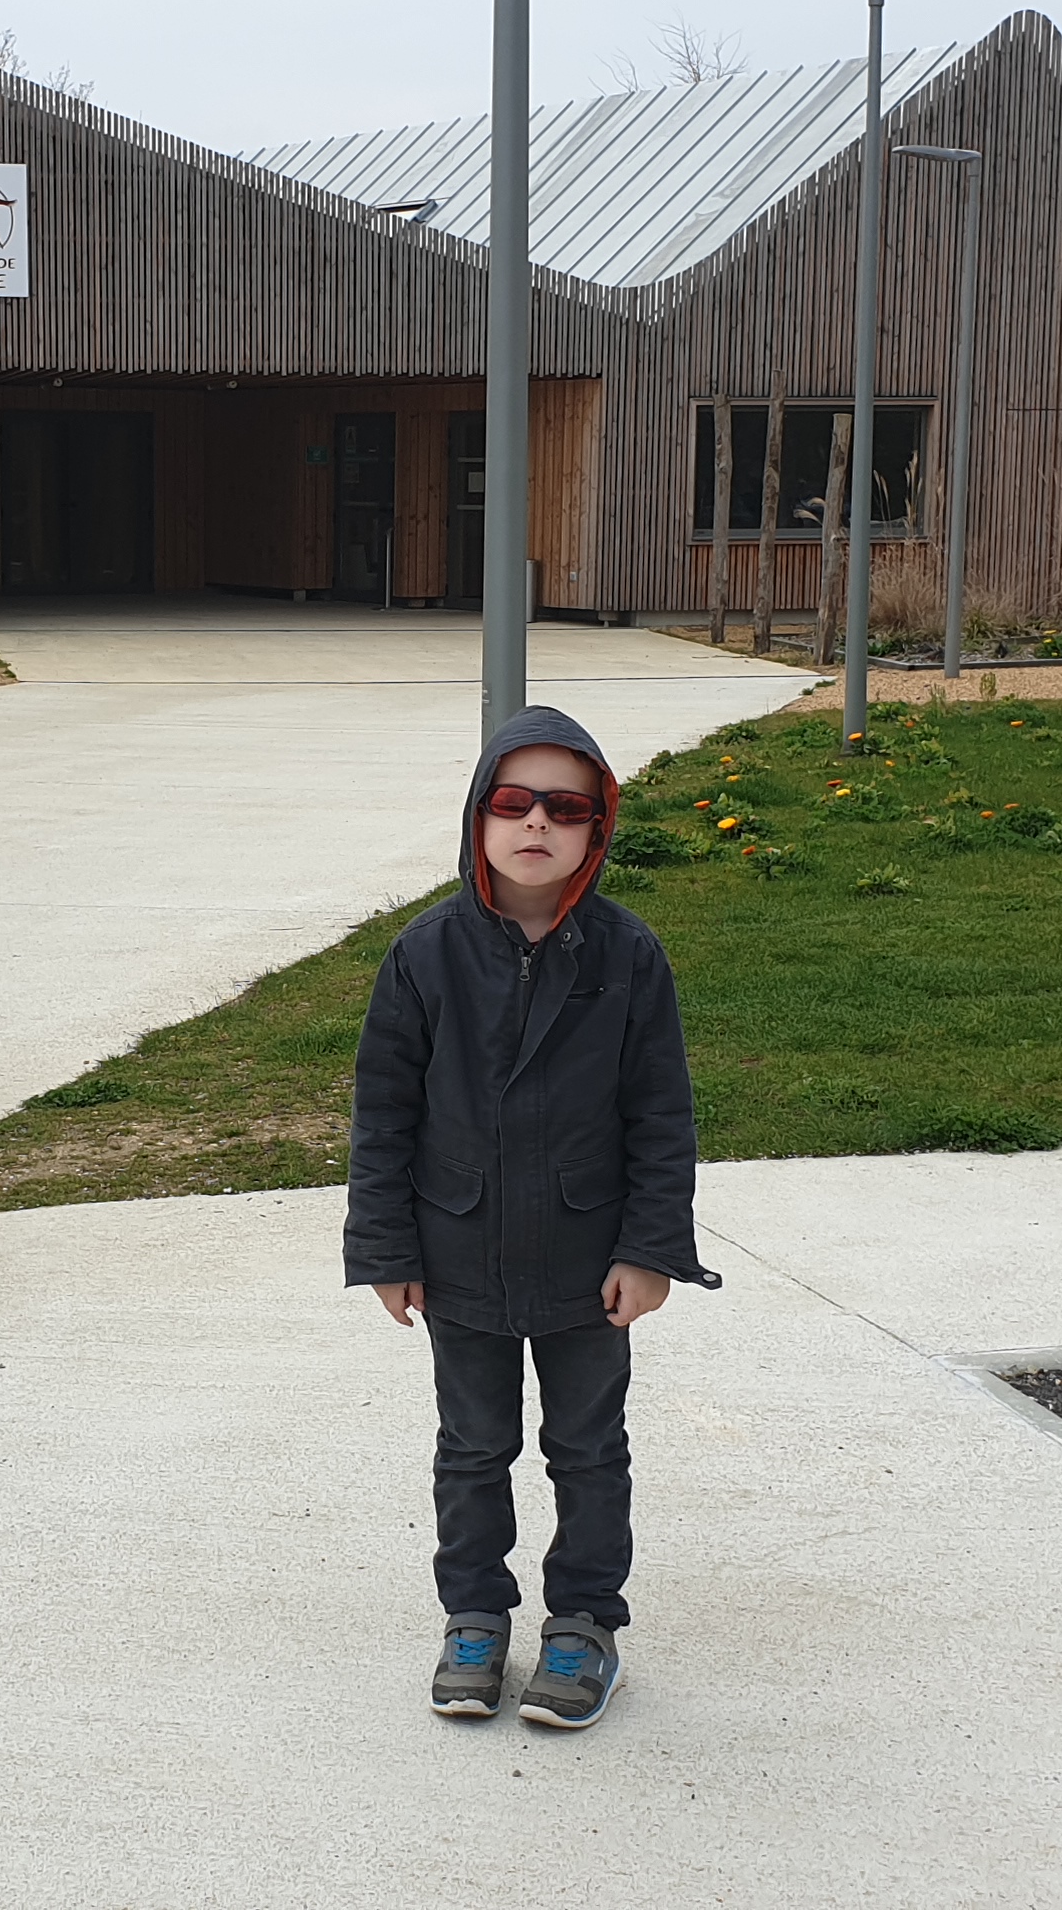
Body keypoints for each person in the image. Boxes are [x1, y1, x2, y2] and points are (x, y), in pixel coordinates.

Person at [346, 704, 716, 1730]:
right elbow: (384, 1114)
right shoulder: (424, 955)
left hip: (589, 1258)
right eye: (514, 802)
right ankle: (474, 1614)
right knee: (473, 1445)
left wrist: (652, 1249)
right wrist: (386, 1249)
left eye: (566, 806)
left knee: (588, 1447)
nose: (538, 822)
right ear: (480, 816)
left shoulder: (628, 955)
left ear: (599, 826)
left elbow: (661, 1114)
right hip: (458, 1251)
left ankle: (585, 1623)